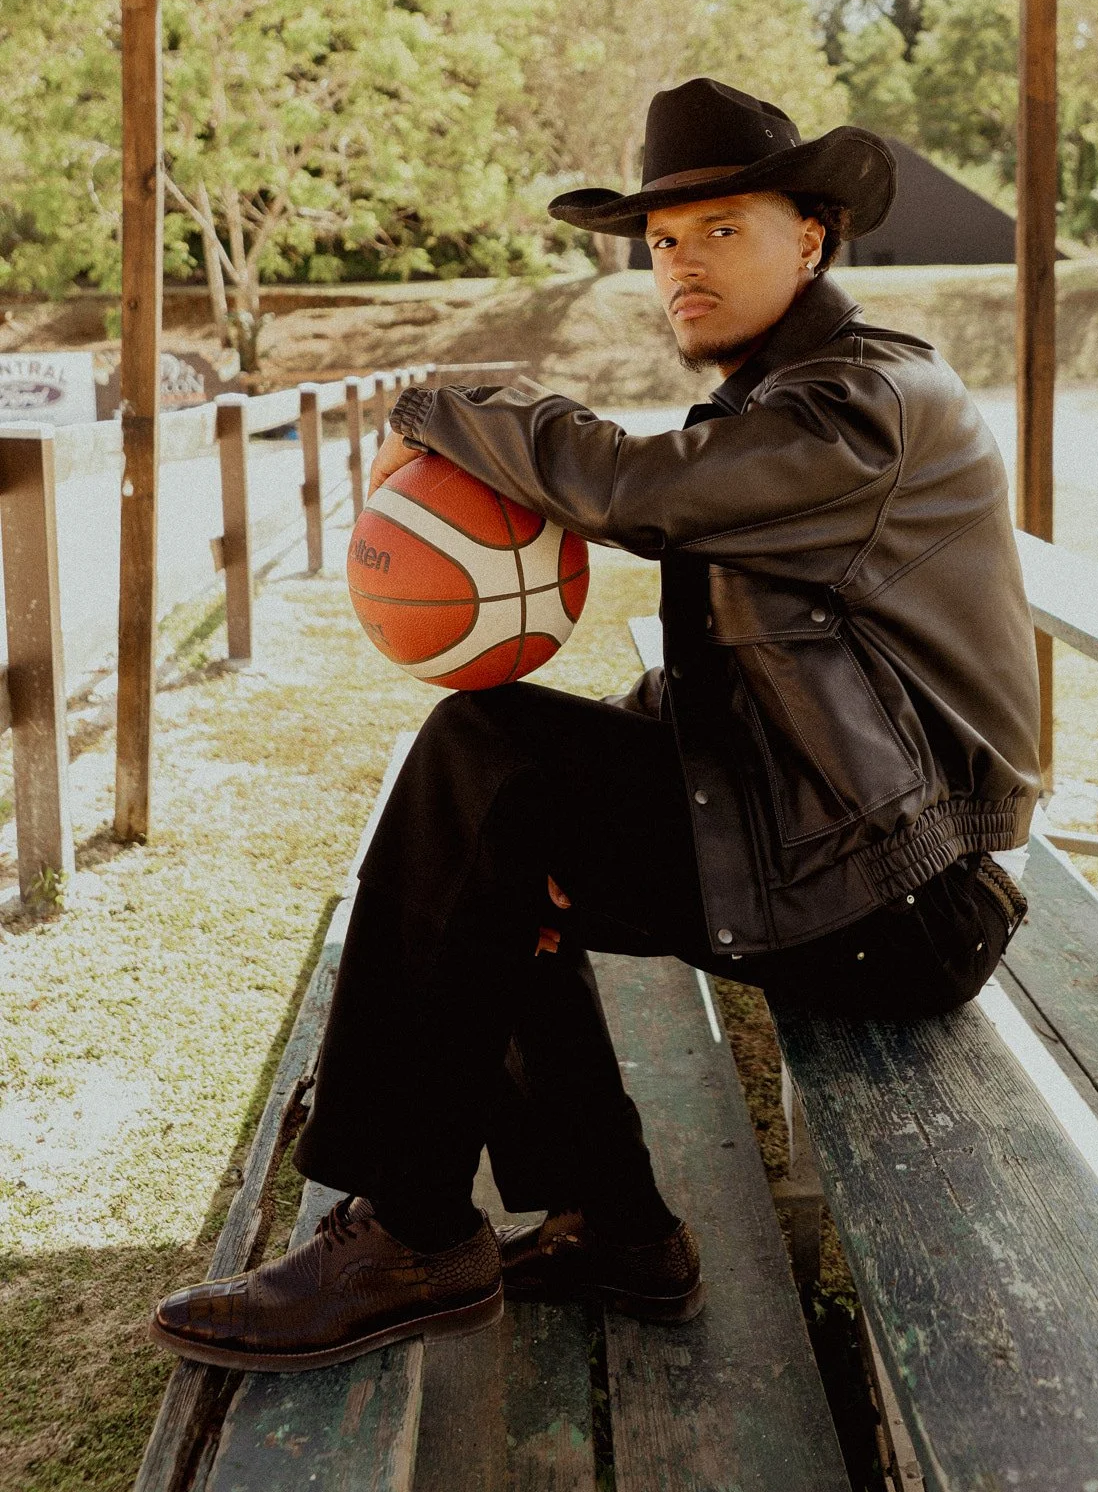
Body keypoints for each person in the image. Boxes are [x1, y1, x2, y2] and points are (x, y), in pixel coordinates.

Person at [150, 76, 1040, 1373]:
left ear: (815, 234)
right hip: (838, 847)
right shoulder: (778, 400)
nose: (679, 263)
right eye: (663, 241)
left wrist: (450, 406)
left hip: (909, 901)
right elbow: (720, 695)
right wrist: (580, 818)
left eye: (721, 229)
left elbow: (629, 493)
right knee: (501, 833)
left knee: (484, 760)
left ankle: (411, 1223)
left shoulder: (867, 405)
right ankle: (613, 1221)